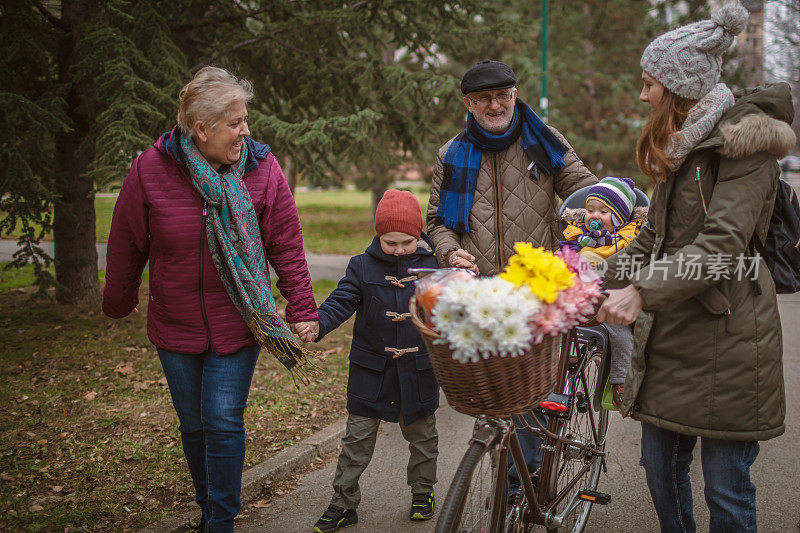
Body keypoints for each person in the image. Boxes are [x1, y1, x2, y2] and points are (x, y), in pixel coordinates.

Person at [597, 3, 793, 531]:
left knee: (726, 488)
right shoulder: (682, 146)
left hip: (731, 337)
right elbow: (655, 240)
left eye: (649, 84)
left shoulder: (745, 149)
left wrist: (639, 293)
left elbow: (721, 244)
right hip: (675, 334)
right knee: (659, 469)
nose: (642, 95)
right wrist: (595, 278)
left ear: (679, 86)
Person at [102, 66, 319, 532]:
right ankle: (207, 504)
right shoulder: (150, 169)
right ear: (201, 129)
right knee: (194, 426)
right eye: (235, 123)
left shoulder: (263, 169)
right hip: (174, 323)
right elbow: (127, 241)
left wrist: (301, 308)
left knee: (221, 419)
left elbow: (286, 243)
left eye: (245, 120)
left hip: (239, 320)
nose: (246, 131)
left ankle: (220, 520)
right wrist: (118, 300)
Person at [426, 59, 598, 503]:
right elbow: (436, 221)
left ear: (515, 95)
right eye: (484, 98)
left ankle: (522, 484)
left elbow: (586, 193)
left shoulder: (543, 140)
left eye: (503, 94)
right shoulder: (452, 153)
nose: (495, 104)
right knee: (497, 394)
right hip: (484, 293)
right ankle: (518, 476)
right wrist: (448, 250)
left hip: (538, 286)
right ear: (469, 103)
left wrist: (597, 224)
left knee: (526, 394)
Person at [297, 189, 440, 532]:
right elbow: (341, 300)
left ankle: (423, 492)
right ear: (378, 236)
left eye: (406, 241)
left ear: (418, 235)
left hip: (417, 370)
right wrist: (318, 323)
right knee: (356, 441)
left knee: (422, 438)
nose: (399, 249)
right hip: (371, 371)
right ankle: (343, 502)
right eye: (390, 242)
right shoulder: (361, 266)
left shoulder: (432, 267)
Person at [560, 176, 645, 407]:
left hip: (608, 301)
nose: (594, 216)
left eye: (604, 212)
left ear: (619, 218)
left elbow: (632, 266)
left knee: (621, 334)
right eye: (590, 210)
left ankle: (620, 381)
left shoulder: (627, 240)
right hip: (576, 299)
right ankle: (551, 376)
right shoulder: (577, 235)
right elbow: (565, 255)